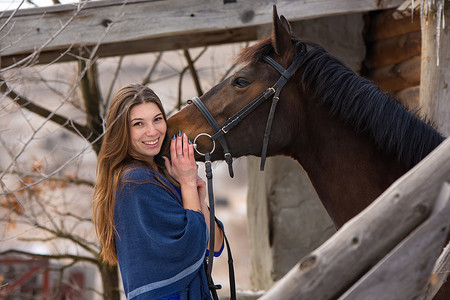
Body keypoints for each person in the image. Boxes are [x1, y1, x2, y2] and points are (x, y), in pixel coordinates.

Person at [93, 84, 224, 300]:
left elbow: (215, 245)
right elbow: (191, 245)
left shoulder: (163, 174)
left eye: (157, 119)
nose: (152, 132)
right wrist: (188, 185)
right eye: (138, 124)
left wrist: (196, 196)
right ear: (122, 131)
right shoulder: (134, 181)